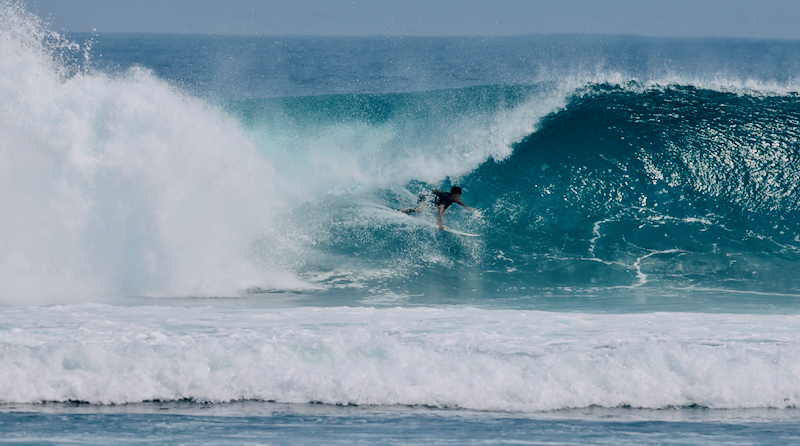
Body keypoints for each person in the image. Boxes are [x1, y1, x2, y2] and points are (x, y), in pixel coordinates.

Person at [400, 186, 474, 230]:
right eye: (459, 195)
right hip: (425, 197)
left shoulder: (452, 198)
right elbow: (440, 210)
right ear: (455, 194)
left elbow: (459, 201)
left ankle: (439, 222)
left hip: (432, 199)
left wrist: (467, 208)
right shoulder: (445, 199)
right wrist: (440, 224)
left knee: (445, 210)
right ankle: (405, 210)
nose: (459, 197)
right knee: (420, 210)